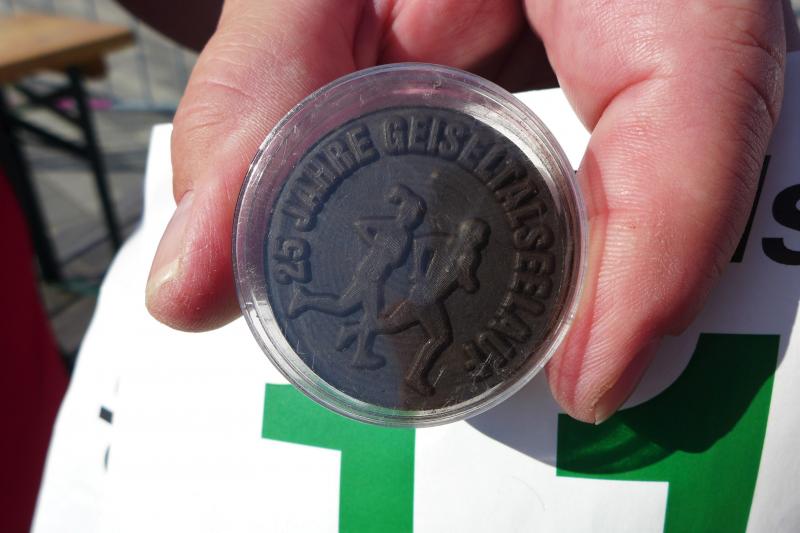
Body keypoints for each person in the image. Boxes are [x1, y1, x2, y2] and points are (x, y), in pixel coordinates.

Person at [123, 0, 800, 423]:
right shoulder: (442, 245)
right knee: (376, 317)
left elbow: (434, 257)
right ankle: (374, 345)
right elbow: (409, 244)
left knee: (397, 326)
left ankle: (388, 354)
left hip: (421, 291)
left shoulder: (451, 247)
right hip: (405, 288)